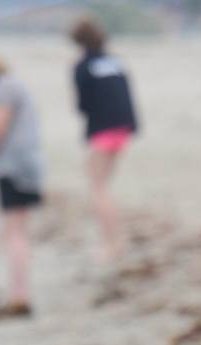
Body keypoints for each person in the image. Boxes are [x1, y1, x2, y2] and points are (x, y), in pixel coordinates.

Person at [0, 54, 43, 319]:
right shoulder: (14, 86)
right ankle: (20, 293)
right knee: (18, 230)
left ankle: (19, 295)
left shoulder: (4, 89)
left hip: (13, 167)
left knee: (13, 232)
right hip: (28, 166)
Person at [70, 17, 139, 263]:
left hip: (104, 130)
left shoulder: (83, 66)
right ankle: (114, 241)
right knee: (103, 185)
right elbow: (127, 96)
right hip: (124, 127)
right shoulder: (115, 62)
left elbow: (82, 105)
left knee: (98, 187)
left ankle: (113, 244)